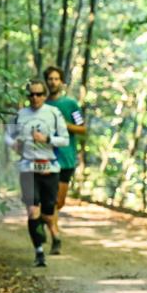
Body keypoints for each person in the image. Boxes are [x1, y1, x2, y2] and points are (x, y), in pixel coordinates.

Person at [5, 78, 70, 267]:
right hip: (28, 168)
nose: (35, 98)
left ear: (44, 95)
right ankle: (39, 252)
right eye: (31, 94)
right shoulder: (20, 115)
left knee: (48, 214)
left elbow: (65, 140)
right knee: (32, 210)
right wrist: (13, 144)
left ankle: (53, 236)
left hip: (50, 167)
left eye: (39, 94)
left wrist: (47, 139)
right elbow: (7, 135)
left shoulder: (54, 113)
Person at [43, 66, 86, 255]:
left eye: (56, 79)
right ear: (46, 82)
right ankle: (56, 237)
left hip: (66, 159)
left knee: (58, 203)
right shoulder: (41, 104)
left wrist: (64, 125)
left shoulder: (71, 104)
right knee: (49, 201)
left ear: (61, 82)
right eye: (50, 79)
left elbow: (82, 128)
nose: (53, 82)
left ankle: (47, 222)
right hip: (46, 159)